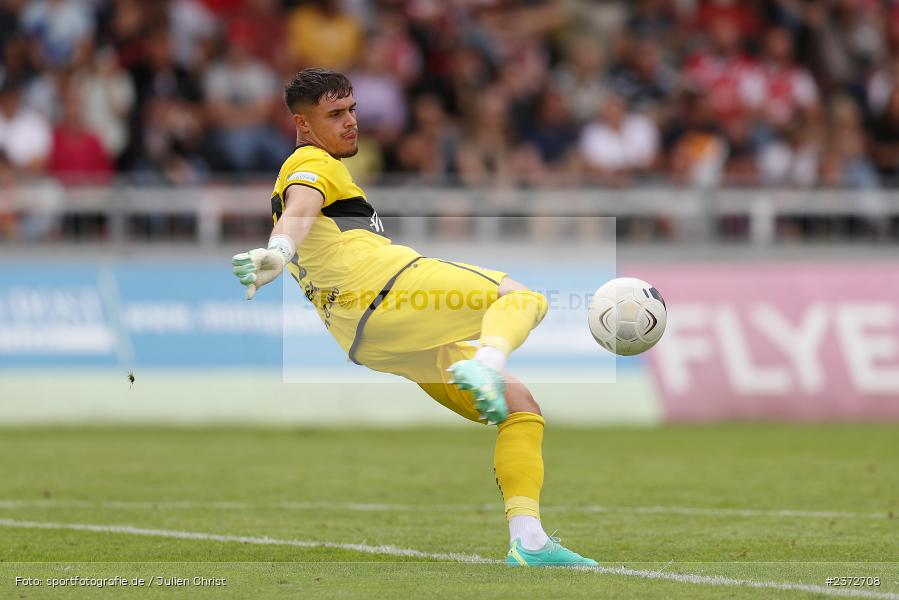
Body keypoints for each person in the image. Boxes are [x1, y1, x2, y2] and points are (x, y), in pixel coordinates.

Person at [231, 68, 597, 568]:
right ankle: (487, 361)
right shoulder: (311, 162)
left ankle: (528, 541)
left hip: (367, 337)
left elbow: (301, 214)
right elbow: (301, 205)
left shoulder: (323, 167)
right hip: (382, 288)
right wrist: (277, 249)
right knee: (523, 298)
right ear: (304, 124)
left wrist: (280, 250)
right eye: (334, 115)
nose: (350, 122)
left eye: (352, 110)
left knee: (519, 408)